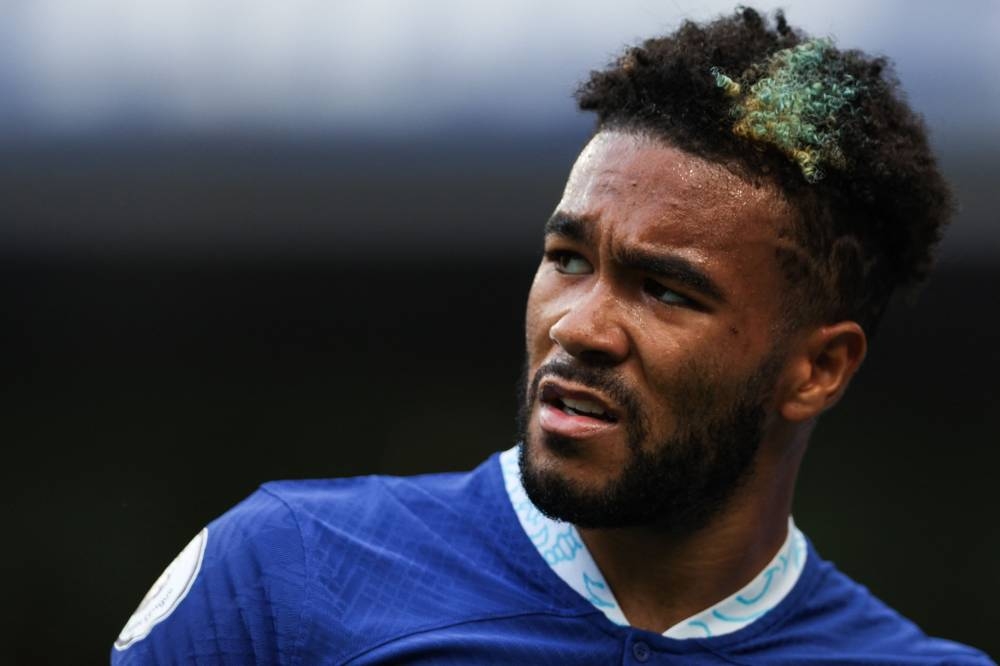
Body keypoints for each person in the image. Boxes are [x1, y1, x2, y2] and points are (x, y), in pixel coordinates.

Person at [111, 8, 992, 665]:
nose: (580, 326)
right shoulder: (285, 574)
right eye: (568, 259)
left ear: (818, 369)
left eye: (667, 291)